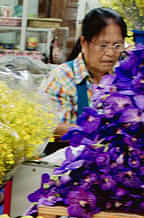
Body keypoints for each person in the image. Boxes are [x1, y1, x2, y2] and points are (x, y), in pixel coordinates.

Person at [40, 7, 127, 138]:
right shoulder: (62, 77)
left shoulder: (123, 78)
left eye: (117, 45)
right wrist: (97, 131)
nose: (110, 53)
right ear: (84, 43)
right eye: (103, 45)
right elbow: (48, 125)